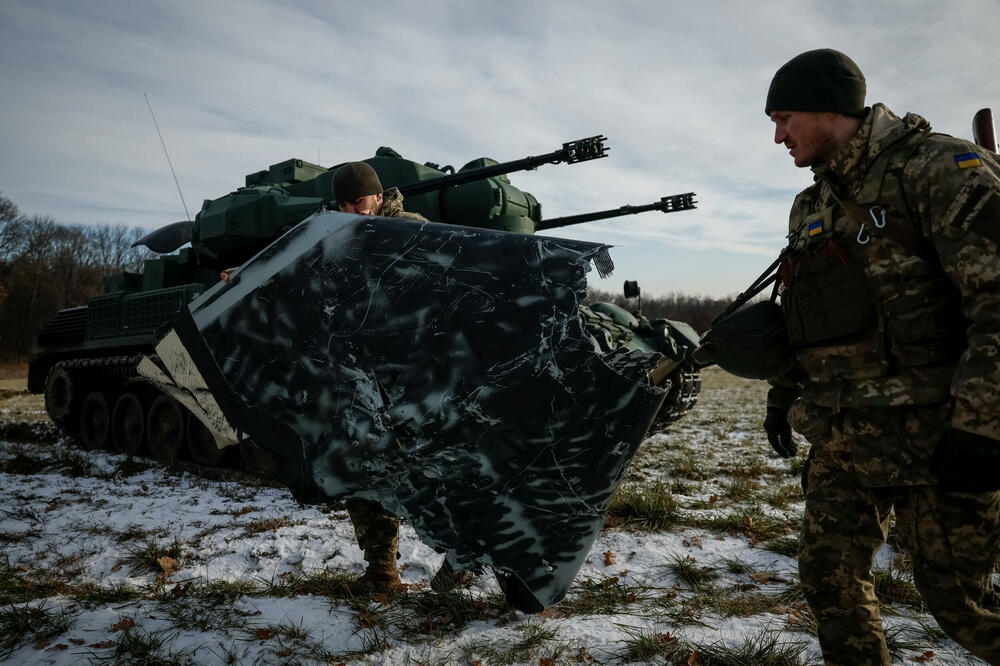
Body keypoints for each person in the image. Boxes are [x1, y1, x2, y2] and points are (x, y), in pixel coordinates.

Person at [763, 48, 1000, 665]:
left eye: (784, 117)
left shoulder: (939, 168)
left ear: (828, 107)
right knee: (829, 581)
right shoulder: (810, 204)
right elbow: (806, 312)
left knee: (964, 609)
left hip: (941, 437)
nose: (778, 136)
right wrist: (783, 391)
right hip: (843, 435)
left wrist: (984, 424)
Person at [331, 161, 427, 222]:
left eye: (357, 201)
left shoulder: (414, 225)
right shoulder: (338, 234)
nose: (350, 213)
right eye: (343, 206)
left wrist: (377, 227)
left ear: (378, 196)